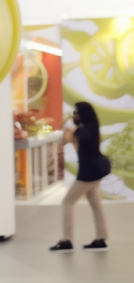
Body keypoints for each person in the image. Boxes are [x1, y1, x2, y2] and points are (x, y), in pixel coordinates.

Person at [50, 101, 111, 252]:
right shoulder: (91, 127)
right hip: (95, 170)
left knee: (68, 202)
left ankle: (67, 239)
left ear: (82, 114)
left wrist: (66, 122)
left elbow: (66, 139)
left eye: (77, 113)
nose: (75, 115)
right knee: (96, 203)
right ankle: (101, 238)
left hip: (88, 173)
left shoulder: (83, 130)